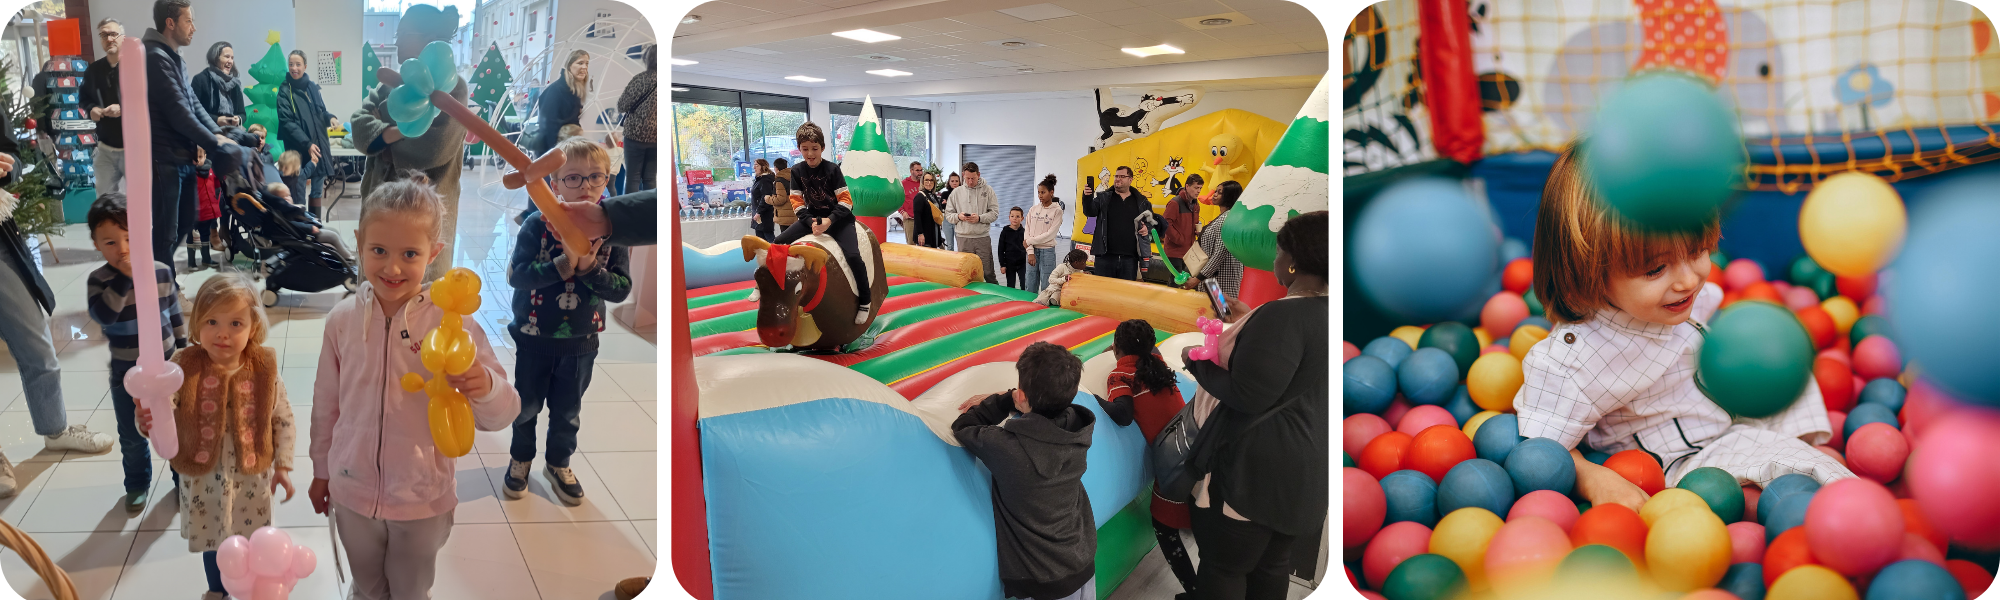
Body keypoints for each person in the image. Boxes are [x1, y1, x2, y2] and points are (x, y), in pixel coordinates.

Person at [1517, 141, 1851, 515]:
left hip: (1725, 403)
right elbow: (1542, 449)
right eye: (1656, 269)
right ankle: (1839, 496)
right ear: (1587, 270)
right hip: (1692, 458)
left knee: (1787, 364)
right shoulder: (1573, 362)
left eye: (1696, 252)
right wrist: (1596, 478)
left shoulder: (1671, 299)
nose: (1689, 281)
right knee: (1798, 465)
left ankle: (1799, 448)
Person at [308, 172, 519, 600]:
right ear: (359, 243)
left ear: (434, 253)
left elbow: (504, 412)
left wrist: (484, 386)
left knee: (410, 590)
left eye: (409, 254)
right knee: (367, 588)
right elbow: (326, 405)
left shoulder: (453, 324)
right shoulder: (342, 320)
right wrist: (321, 470)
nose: (392, 267)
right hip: (352, 490)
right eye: (379, 250)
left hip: (422, 497)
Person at [1178, 211, 1328, 600]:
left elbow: (1248, 393)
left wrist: (1193, 361)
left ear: (1293, 261)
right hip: (1306, 469)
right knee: (1273, 565)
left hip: (1256, 471)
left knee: (1224, 567)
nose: (1275, 260)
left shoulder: (1282, 315)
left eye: (1279, 252)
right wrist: (1250, 321)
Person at [135, 273, 294, 600]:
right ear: (196, 324)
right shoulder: (183, 366)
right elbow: (163, 410)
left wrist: (283, 466)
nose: (223, 333)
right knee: (213, 541)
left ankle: (253, 588)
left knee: (251, 540)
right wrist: (147, 419)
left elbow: (282, 417)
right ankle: (217, 590)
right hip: (202, 477)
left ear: (253, 327)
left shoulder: (263, 368)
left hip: (251, 477)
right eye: (212, 322)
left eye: (236, 323)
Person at [503, 138, 631, 506]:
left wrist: (589, 267)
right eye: (573, 178)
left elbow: (621, 289)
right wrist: (563, 265)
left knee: (568, 412)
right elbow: (518, 275)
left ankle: (558, 463)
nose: (586, 186)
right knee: (525, 407)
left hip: (581, 342)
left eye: (596, 177)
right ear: (554, 183)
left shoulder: (612, 231)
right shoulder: (536, 225)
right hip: (533, 338)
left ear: (607, 180)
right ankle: (520, 459)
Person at [953, 341, 1097, 600]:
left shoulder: (1007, 447)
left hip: (1042, 581)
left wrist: (1004, 400)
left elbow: (963, 425)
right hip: (1082, 564)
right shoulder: (1078, 429)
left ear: (1021, 396)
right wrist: (1021, 398)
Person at [350, 3, 468, 284]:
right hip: (379, 203)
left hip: (424, 211)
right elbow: (359, 128)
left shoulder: (452, 88)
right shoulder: (389, 85)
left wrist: (382, 133)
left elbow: (434, 147)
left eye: (404, 34)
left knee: (419, 289)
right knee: (376, 281)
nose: (397, 42)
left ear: (429, 39)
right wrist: (407, 130)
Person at [86, 196, 188, 513]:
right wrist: (125, 278)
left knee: (176, 427)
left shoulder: (161, 272)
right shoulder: (100, 280)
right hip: (126, 374)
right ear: (96, 244)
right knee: (131, 435)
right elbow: (105, 316)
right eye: (111, 242)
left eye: (130, 238)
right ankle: (136, 483)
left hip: (167, 369)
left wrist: (184, 350)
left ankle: (182, 480)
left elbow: (174, 314)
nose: (123, 249)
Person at [1096, 319, 1194, 598]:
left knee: (1164, 527)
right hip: (1191, 445)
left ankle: (1197, 590)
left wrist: (1092, 399)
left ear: (1116, 347)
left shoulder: (1120, 375)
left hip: (1173, 463)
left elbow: (1123, 415)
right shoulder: (1158, 364)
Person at [144, 0, 232, 271]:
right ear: (170, 23)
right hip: (164, 158)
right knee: (166, 231)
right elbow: (178, 112)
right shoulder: (154, 57)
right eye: (188, 21)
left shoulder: (175, 58)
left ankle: (156, 275)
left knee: (185, 223)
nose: (194, 28)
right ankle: (161, 284)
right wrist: (215, 143)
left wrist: (219, 134)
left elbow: (193, 104)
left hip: (182, 157)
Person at [774, 122, 875, 324]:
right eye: (805, 149)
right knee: (777, 244)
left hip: (839, 219)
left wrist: (829, 221)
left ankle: (865, 300)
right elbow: (796, 201)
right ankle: (773, 289)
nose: (810, 154)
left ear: (822, 148)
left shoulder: (832, 169)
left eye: (814, 148)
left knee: (853, 256)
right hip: (812, 217)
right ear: (799, 149)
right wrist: (809, 221)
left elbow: (846, 201)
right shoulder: (797, 171)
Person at [278, 49, 338, 220]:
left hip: (318, 145)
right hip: (298, 149)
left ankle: (315, 224)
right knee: (297, 190)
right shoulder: (284, 90)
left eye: (298, 64)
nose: (294, 68)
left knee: (317, 190)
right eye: (291, 64)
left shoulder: (312, 87)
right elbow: (287, 123)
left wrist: (331, 118)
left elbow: (321, 111)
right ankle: (300, 224)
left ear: (305, 66)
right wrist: (307, 144)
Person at [81, 18, 130, 194]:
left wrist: (123, 109)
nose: (109, 39)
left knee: (139, 200)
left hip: (135, 148)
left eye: (113, 34)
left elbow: (151, 101)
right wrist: (91, 109)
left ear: (123, 38)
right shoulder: (93, 70)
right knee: (104, 200)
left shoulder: (138, 67)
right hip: (105, 148)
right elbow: (84, 98)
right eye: (104, 35)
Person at [1083, 166, 1150, 281]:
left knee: (1125, 291)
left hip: (1130, 258)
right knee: (1102, 289)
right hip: (1105, 257)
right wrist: (1087, 197)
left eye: (1122, 176)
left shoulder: (1141, 201)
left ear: (1130, 179)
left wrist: (1146, 228)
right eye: (1116, 176)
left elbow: (1150, 221)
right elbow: (1090, 212)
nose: (1118, 179)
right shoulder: (1104, 197)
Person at [262, 183, 357, 263]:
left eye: (288, 195)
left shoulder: (287, 208)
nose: (287, 198)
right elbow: (294, 225)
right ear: (277, 201)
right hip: (305, 234)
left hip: (306, 230)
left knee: (334, 230)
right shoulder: (283, 213)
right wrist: (309, 228)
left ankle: (347, 251)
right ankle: (348, 257)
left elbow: (301, 216)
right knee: (333, 236)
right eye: (283, 197)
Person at [1185, 180, 1244, 299]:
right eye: (1216, 191)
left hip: (1220, 279)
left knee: (1220, 308)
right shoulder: (1225, 217)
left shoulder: (1228, 219)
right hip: (1213, 278)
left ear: (1229, 196)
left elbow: (1220, 253)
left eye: (1219, 192)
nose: (1214, 195)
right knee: (1212, 308)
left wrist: (1198, 278)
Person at [527, 50, 591, 159]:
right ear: (569, 65)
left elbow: (573, 120)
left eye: (587, 63)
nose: (584, 67)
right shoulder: (556, 90)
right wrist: (553, 157)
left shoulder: (574, 91)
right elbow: (548, 127)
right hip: (551, 152)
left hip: (565, 150)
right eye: (580, 63)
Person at [947, 163, 999, 284]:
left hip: (982, 237)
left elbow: (995, 213)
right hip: (963, 238)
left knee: (988, 272)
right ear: (963, 175)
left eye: (973, 178)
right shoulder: (956, 192)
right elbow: (948, 215)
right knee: (966, 273)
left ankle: (994, 294)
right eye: (967, 178)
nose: (970, 182)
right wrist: (958, 216)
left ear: (979, 175)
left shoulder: (988, 190)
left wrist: (980, 218)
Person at [615, 46, 656, 193]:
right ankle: (649, 207)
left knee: (633, 177)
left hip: (635, 134)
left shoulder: (641, 79)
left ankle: (631, 207)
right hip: (657, 138)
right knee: (650, 178)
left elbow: (622, 106)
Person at [191, 41, 245, 127]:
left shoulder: (235, 84)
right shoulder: (200, 80)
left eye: (232, 58)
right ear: (215, 58)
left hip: (231, 130)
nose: (230, 61)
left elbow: (242, 114)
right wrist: (216, 120)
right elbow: (193, 110)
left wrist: (238, 119)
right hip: (207, 129)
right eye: (227, 57)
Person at [1024, 175, 1063, 294]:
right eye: (1039, 192)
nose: (1040, 195)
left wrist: (1029, 242)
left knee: (1047, 284)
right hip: (1032, 251)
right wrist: (1030, 252)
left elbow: (1050, 234)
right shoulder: (1033, 209)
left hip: (1047, 252)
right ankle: (1029, 304)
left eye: (1043, 192)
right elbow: (1027, 231)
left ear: (1051, 192)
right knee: (1030, 282)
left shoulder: (1057, 211)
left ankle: (1045, 305)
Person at [1161, 173, 1203, 273]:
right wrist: (1179, 239)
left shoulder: (1195, 204)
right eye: (1196, 188)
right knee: (1176, 279)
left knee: (1183, 280)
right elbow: (1165, 223)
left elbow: (1192, 223)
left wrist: (1197, 231)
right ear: (1187, 186)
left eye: (1200, 188)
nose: (1198, 191)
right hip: (1175, 251)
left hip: (1188, 250)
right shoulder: (1175, 203)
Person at [188, 153, 221, 270]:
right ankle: (191, 262)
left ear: (205, 156)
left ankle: (206, 258)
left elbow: (217, 185)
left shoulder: (211, 170)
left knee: (205, 234)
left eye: (200, 157)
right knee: (191, 236)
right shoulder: (189, 172)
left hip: (207, 210)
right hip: (193, 212)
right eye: (195, 157)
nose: (197, 160)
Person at [909, 171, 942, 248]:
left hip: (934, 230)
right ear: (922, 182)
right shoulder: (919, 197)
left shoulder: (933, 195)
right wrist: (920, 234)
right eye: (926, 180)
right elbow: (917, 217)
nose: (929, 183)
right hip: (925, 233)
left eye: (931, 180)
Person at [998, 207, 1027, 290]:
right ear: (1009, 217)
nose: (1015, 218)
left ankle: (1024, 297)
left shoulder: (1024, 232)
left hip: (1022, 263)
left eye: (1017, 216)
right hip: (1009, 263)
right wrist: (1002, 265)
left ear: (1022, 218)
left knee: (1024, 283)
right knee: (1010, 285)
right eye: (1012, 216)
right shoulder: (1005, 232)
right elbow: (1000, 249)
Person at [749, 159, 776, 241]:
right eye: (754, 165)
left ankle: (775, 249)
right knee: (760, 239)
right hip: (759, 212)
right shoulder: (759, 179)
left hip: (764, 214)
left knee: (768, 237)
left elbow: (765, 197)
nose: (754, 167)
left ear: (763, 167)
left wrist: (758, 212)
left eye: (757, 165)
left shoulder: (765, 180)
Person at [767, 157, 796, 230]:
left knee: (785, 235)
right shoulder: (793, 177)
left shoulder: (779, 181)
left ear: (776, 168)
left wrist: (768, 199)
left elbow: (780, 199)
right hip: (794, 212)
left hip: (784, 215)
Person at [900, 161, 922, 244]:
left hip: (922, 219)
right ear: (911, 171)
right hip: (910, 219)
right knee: (911, 244)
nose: (920, 173)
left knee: (923, 244)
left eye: (921, 170)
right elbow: (898, 200)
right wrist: (902, 212)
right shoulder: (904, 184)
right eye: (917, 170)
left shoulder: (923, 183)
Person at [940, 172, 961, 250]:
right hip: (947, 220)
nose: (954, 183)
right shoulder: (945, 194)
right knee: (950, 245)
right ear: (949, 182)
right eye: (952, 181)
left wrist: (948, 203)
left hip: (958, 220)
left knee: (960, 244)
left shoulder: (962, 194)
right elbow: (942, 206)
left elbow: (962, 207)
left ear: (959, 182)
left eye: (956, 181)